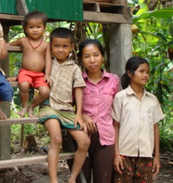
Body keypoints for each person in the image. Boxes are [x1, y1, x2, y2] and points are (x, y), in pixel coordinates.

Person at [37, 28, 90, 183]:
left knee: (85, 141)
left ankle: (72, 178)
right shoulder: (46, 64)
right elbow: (31, 73)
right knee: (57, 139)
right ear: (51, 47)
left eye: (65, 46)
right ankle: (53, 180)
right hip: (49, 107)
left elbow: (79, 91)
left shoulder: (74, 68)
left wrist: (78, 114)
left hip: (67, 110)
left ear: (72, 47)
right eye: (56, 46)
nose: (60, 50)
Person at [112, 57, 164, 183]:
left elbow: (155, 128)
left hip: (146, 155)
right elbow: (115, 126)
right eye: (141, 71)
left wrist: (156, 156)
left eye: (147, 72)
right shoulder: (121, 98)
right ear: (130, 73)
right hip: (125, 154)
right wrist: (116, 154)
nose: (145, 75)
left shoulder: (152, 100)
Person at [78, 39, 120, 183]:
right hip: (81, 136)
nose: (92, 60)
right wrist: (82, 115)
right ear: (81, 59)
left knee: (103, 179)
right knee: (81, 180)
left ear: (102, 56)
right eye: (87, 56)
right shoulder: (77, 80)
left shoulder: (114, 80)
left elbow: (118, 112)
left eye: (96, 55)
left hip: (106, 137)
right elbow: (65, 107)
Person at [8, 11, 51, 117]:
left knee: (45, 91)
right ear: (26, 29)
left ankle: (32, 106)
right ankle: (24, 106)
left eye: (38, 27)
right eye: (31, 27)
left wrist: (47, 74)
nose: (35, 30)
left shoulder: (46, 45)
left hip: (40, 74)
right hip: (25, 73)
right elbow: (8, 44)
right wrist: (0, 44)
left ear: (44, 28)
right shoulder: (23, 40)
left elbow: (48, 60)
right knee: (24, 85)